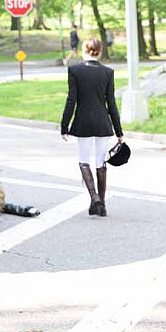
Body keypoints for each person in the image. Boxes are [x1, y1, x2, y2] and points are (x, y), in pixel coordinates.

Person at [60, 38, 124, 217]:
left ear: (84, 50)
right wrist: (119, 131)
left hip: (83, 122)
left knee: (83, 160)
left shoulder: (75, 70)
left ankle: (94, 196)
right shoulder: (107, 72)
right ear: (100, 51)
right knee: (101, 161)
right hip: (103, 122)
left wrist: (64, 126)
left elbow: (71, 99)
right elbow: (111, 103)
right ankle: (101, 205)